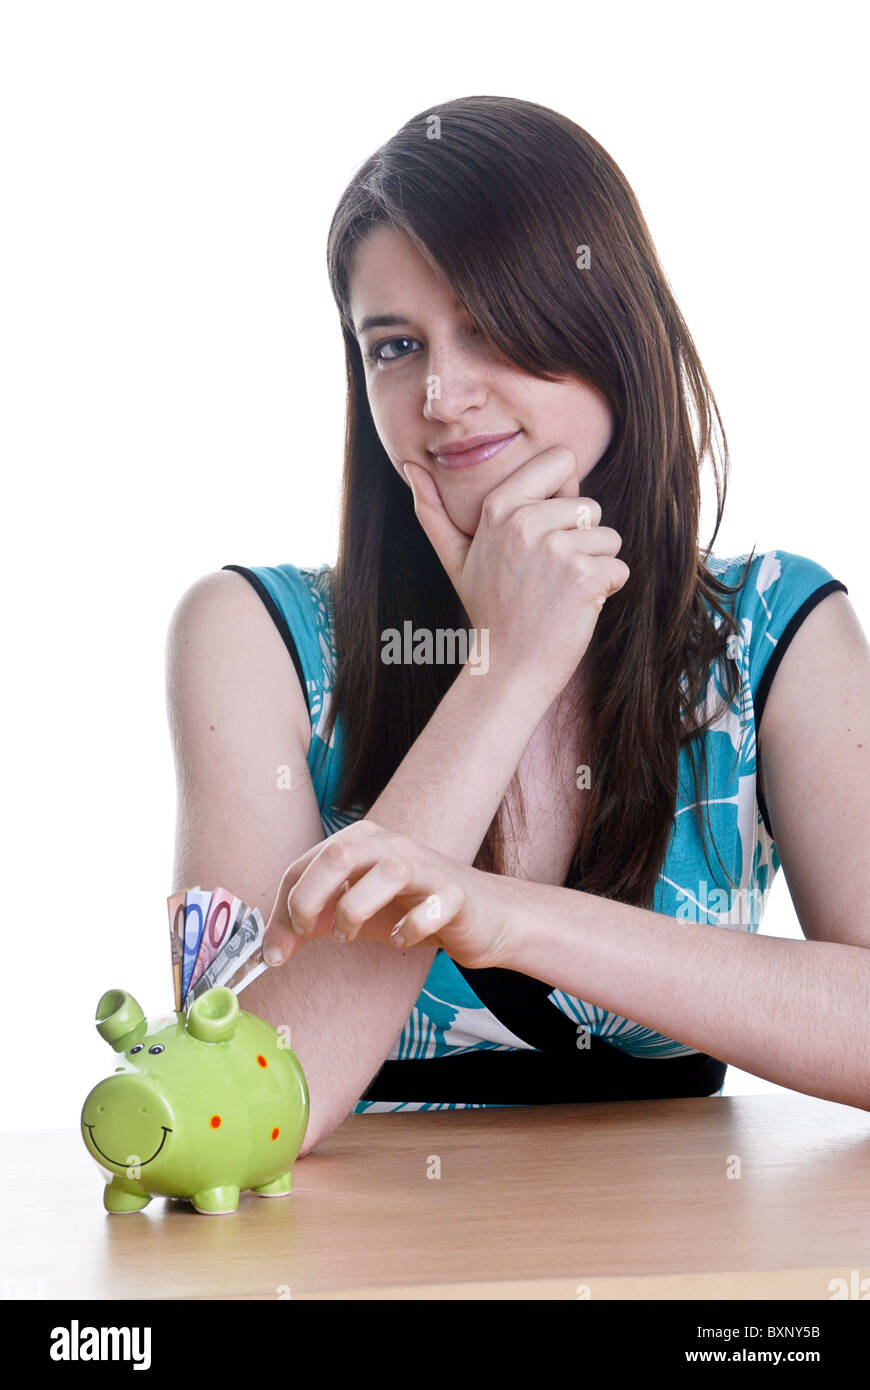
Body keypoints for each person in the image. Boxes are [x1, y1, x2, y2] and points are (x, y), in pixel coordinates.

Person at [166, 95, 869, 1155]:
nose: (442, 395)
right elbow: (230, 1112)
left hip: (682, 1272)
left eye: (491, 324)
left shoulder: (775, 629)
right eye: (396, 346)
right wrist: (505, 668)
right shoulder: (252, 634)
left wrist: (511, 917)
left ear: (612, 334)